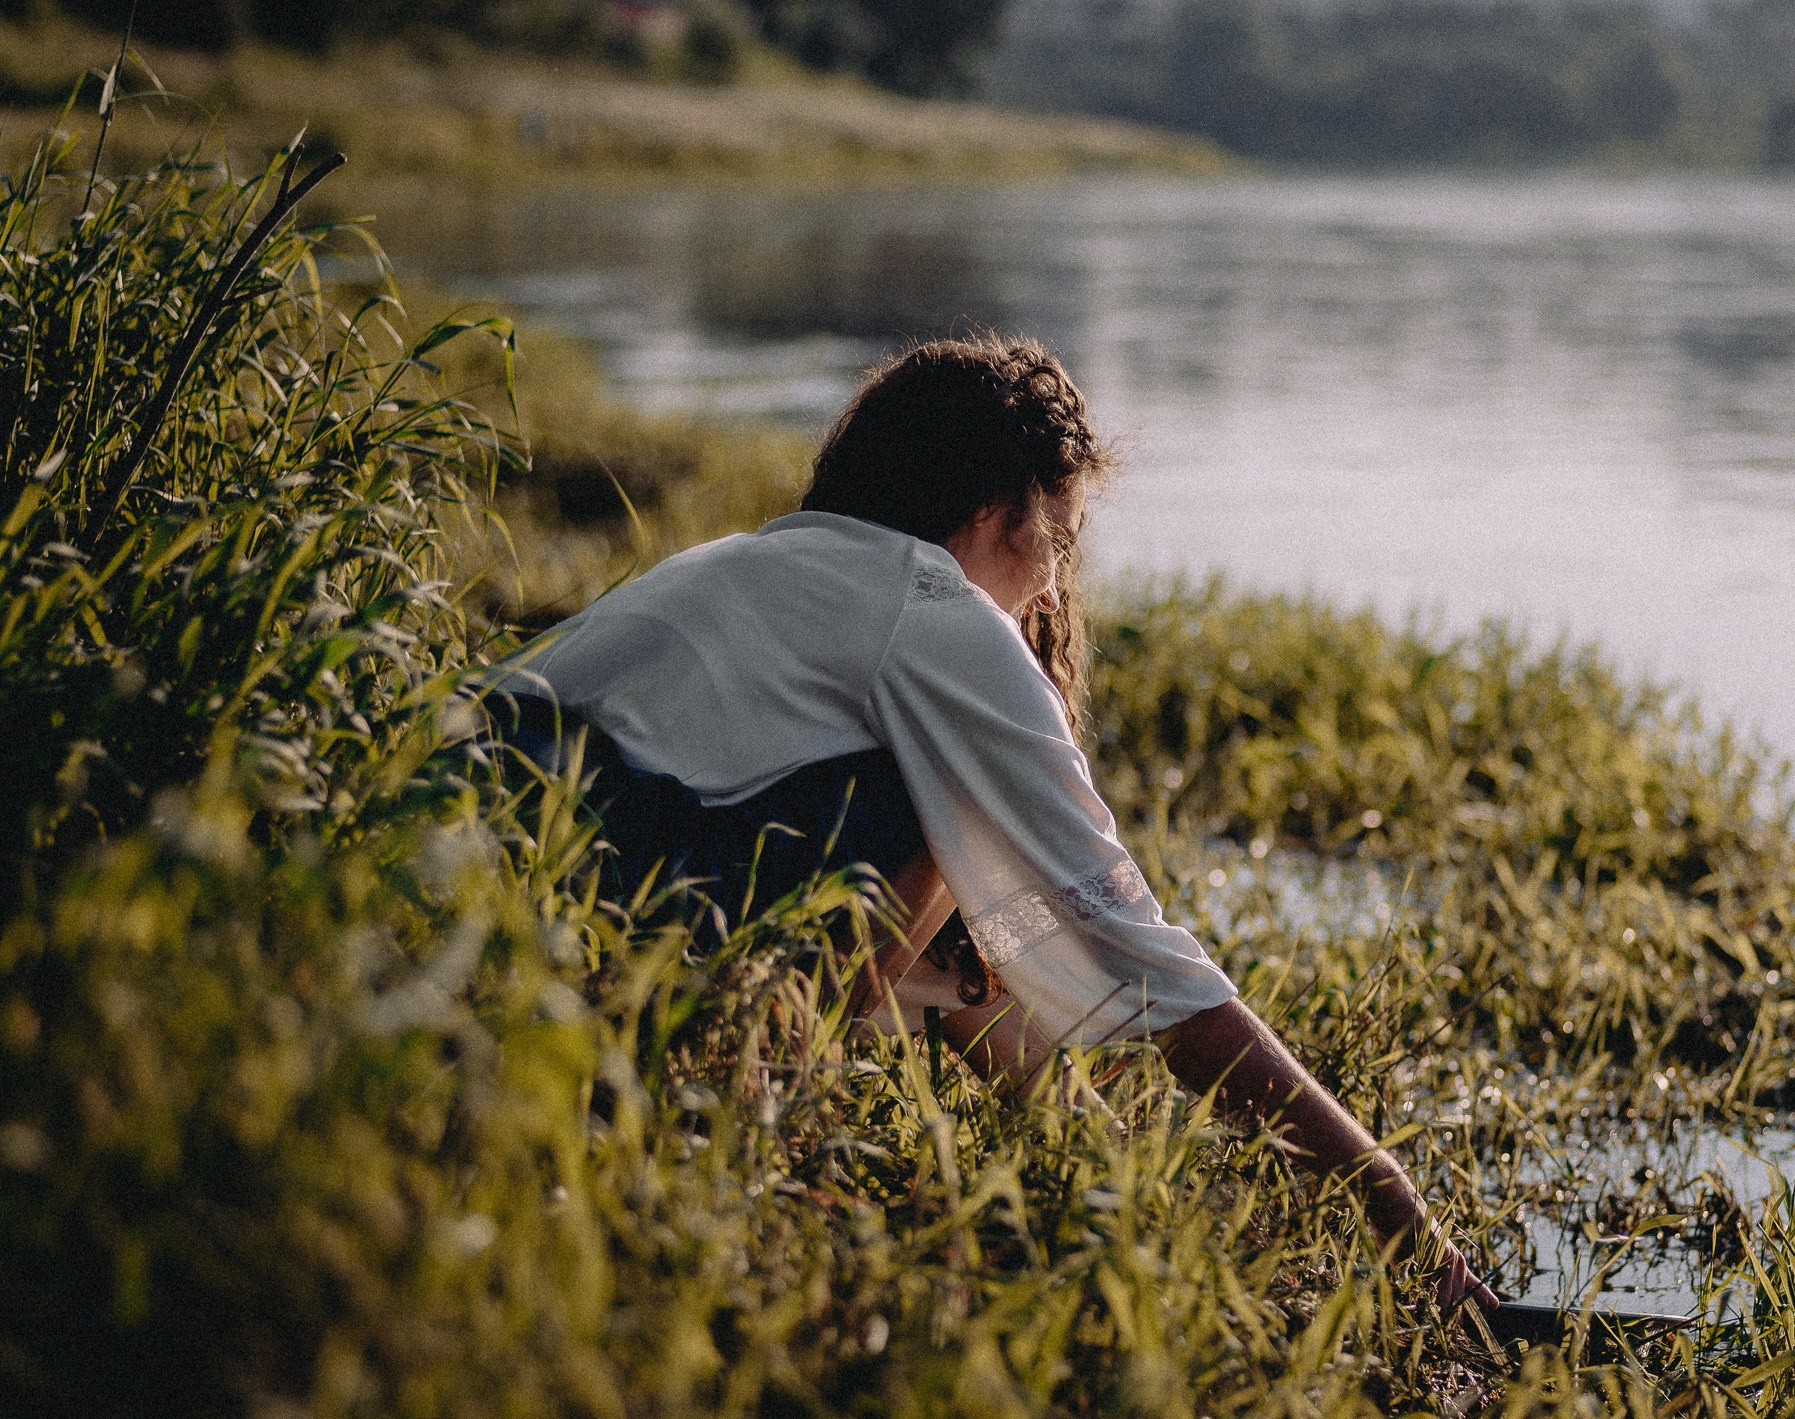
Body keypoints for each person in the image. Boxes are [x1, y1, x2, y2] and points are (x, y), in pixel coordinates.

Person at [493, 335, 1497, 1319]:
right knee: (948, 827)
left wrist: (1133, 1191)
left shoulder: (759, 562)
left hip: (472, 873)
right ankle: (725, 1133)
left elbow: (966, 972)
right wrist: (1402, 1219)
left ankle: (692, 1113)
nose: (1055, 586)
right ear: (989, 511)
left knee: (972, 903)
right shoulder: (935, 611)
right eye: (1056, 540)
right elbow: (1161, 977)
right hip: (571, 890)